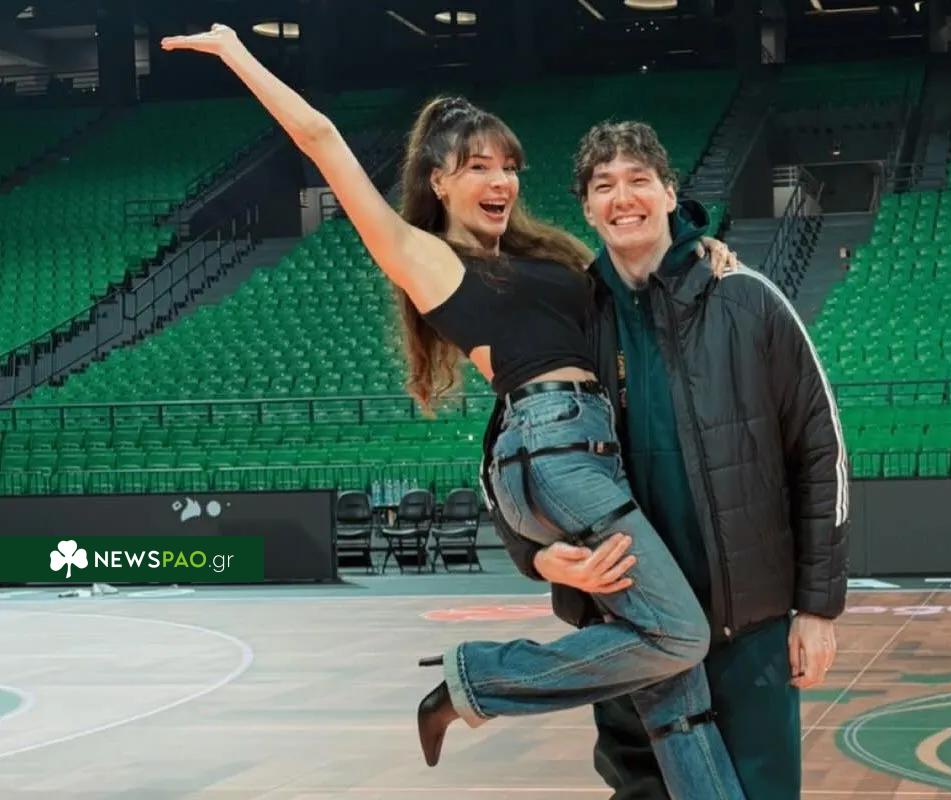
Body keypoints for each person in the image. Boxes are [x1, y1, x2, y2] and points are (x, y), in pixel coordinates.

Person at [162, 25, 748, 800]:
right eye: (478, 166)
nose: (501, 179)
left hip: (588, 447)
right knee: (680, 634)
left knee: (672, 675)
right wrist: (236, 52)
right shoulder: (427, 258)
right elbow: (321, 137)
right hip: (553, 448)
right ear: (438, 181)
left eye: (509, 166)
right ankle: (474, 681)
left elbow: (635, 288)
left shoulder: (546, 256)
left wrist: (698, 255)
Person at [489, 120, 849, 800]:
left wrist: (817, 609)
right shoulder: (567, 321)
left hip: (748, 630)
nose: (623, 198)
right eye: (604, 186)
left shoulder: (747, 299)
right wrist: (533, 554)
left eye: (638, 180)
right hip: (627, 623)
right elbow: (505, 454)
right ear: (586, 208)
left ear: (669, 192)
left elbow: (819, 452)